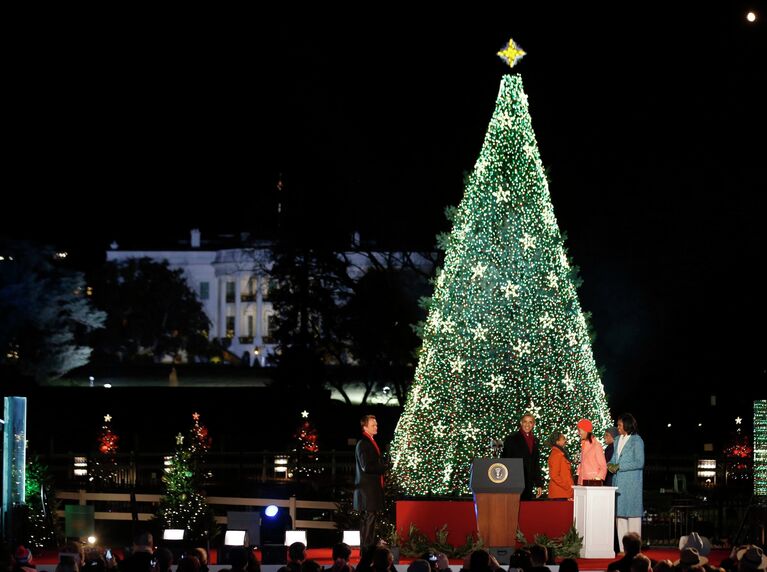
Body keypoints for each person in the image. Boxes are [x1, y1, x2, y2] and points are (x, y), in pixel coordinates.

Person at [608, 413, 645, 550]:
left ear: (627, 425)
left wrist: (620, 467)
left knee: (633, 516)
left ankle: (635, 549)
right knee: (620, 516)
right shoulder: (617, 439)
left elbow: (640, 462)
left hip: (631, 485)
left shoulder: (637, 441)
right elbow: (614, 459)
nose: (617, 427)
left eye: (619, 425)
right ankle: (623, 550)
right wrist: (610, 465)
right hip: (618, 484)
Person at [354, 415, 387, 547]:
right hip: (367, 490)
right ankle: (367, 551)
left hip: (369, 489)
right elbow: (366, 466)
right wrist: (384, 467)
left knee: (369, 520)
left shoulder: (368, 442)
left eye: (376, 424)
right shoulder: (364, 443)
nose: (376, 427)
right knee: (369, 520)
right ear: (365, 427)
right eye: (373, 425)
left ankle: (367, 549)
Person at [503, 413, 543, 499]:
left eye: (530, 422)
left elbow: (535, 463)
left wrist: (539, 484)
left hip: (529, 483)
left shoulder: (535, 440)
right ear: (521, 423)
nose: (527, 425)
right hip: (514, 482)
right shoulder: (511, 439)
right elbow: (505, 460)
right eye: (525, 422)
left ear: (533, 424)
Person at [576, 419, 607, 485]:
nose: (578, 433)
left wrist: (596, 480)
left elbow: (603, 467)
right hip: (582, 483)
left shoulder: (596, 446)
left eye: (579, 430)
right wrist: (578, 476)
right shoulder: (583, 445)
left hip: (592, 484)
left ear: (585, 430)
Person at [547, 432, 574, 499]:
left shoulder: (559, 453)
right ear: (557, 441)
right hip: (560, 493)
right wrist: (567, 486)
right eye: (563, 438)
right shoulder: (557, 455)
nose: (565, 440)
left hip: (562, 492)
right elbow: (554, 475)